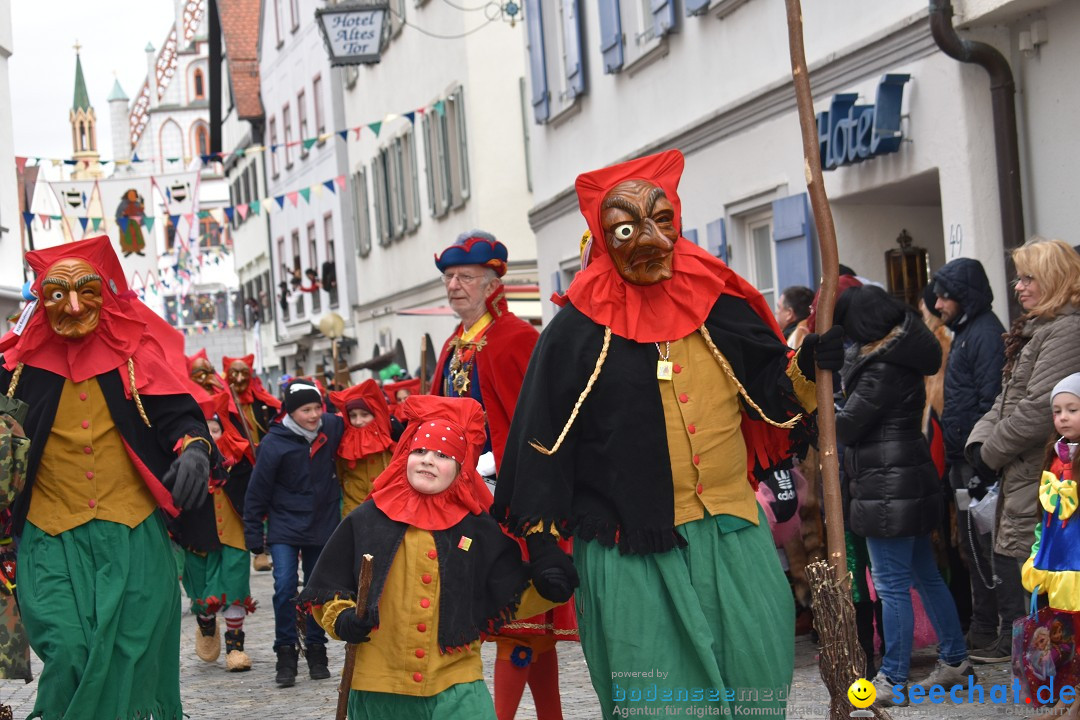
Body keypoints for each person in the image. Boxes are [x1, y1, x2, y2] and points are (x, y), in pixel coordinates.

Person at [493, 150, 842, 717]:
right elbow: (541, 442)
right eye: (627, 229)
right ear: (604, 239)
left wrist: (809, 365)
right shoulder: (576, 332)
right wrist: (539, 546)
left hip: (732, 532)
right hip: (631, 549)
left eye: (662, 221)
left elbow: (774, 397)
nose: (649, 241)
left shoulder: (719, 302)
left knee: (756, 682)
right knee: (658, 703)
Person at [0, 235, 213, 720]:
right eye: (58, 294)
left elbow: (182, 419)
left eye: (86, 291)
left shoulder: (135, 359)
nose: (74, 307)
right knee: (68, 651)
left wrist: (195, 451)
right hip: (49, 537)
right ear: (41, 301)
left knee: (131, 655)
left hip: (132, 533)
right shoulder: (15, 371)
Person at [299, 395, 574, 720]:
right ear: (404, 456)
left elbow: (506, 594)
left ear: (460, 469)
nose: (428, 460)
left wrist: (548, 585)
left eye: (442, 455)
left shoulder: (477, 528)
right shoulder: (368, 519)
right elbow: (329, 588)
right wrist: (342, 618)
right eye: (419, 451)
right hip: (379, 687)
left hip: (456, 684)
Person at [432, 230, 575, 720]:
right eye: (449, 277)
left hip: (511, 500)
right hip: (464, 498)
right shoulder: (455, 342)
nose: (453, 286)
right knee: (529, 630)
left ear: (494, 285)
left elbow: (532, 423)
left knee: (519, 623)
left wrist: (496, 469)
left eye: (465, 278)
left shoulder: (516, 339)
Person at [832, 285, 972, 705]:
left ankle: (892, 679)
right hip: (904, 481)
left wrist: (822, 404)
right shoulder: (898, 355)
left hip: (887, 487)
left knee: (892, 586)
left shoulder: (882, 367)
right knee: (923, 575)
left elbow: (847, 426)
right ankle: (955, 661)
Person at [967, 237, 1080, 618]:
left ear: (1054, 279)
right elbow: (1007, 399)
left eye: (1028, 278)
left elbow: (1037, 410)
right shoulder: (1041, 328)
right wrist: (978, 445)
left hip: (1044, 474)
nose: (1019, 288)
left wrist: (989, 454)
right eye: (1018, 279)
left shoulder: (1066, 331)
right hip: (1025, 471)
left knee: (1051, 595)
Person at [929, 258, 1015, 662]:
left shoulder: (984, 333)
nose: (939, 303)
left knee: (989, 549)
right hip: (963, 463)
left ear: (964, 297)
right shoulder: (965, 332)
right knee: (971, 547)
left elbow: (990, 401)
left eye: (946, 296)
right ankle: (982, 627)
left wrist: (982, 463)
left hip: (978, 464)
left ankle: (1002, 632)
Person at [243, 380, 344, 688]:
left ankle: (316, 650)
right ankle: (285, 652)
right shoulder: (275, 444)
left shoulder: (331, 428)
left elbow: (365, 419)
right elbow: (257, 490)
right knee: (285, 586)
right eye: (306, 410)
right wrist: (253, 535)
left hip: (322, 522)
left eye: (317, 408)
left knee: (317, 590)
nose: (314, 415)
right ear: (291, 411)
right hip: (285, 525)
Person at [175, 391, 257, 672]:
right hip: (197, 537)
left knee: (235, 588)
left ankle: (236, 647)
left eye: (214, 429)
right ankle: (206, 624)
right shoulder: (180, 461)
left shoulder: (239, 462)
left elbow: (253, 495)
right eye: (204, 431)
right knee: (201, 593)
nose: (210, 436)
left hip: (233, 536)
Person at [329, 379, 395, 516]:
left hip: (387, 510)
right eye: (353, 416)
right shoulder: (343, 443)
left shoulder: (392, 440)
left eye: (365, 415)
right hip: (353, 512)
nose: (358, 421)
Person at [222, 353, 281, 446]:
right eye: (234, 373)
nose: (239, 379)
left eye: (244, 373)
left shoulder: (263, 403)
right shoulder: (221, 406)